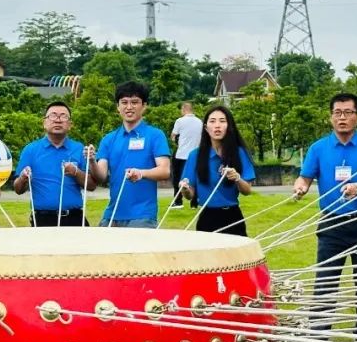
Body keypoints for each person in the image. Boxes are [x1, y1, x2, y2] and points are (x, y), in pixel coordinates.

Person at [293, 93, 357, 335]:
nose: (342, 118)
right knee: (326, 280)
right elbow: (305, 177)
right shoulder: (318, 148)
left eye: (348, 113)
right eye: (337, 113)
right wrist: (300, 187)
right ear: (330, 117)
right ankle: (320, 333)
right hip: (331, 224)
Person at [87, 81, 170, 228]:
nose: (129, 107)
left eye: (134, 102)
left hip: (143, 215)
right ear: (117, 107)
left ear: (144, 105)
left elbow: (164, 170)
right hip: (112, 214)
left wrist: (141, 173)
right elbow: (101, 176)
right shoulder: (108, 139)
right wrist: (92, 161)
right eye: (124, 102)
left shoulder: (155, 135)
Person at [14, 101, 95, 227]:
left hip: (74, 218)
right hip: (42, 219)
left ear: (70, 124)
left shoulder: (79, 149)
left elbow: (91, 185)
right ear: (44, 122)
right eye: (53, 115)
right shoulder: (30, 150)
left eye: (63, 116)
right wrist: (23, 178)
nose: (58, 120)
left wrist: (76, 172)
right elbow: (18, 189)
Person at [179, 105, 255, 236]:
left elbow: (247, 190)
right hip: (207, 217)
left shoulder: (239, 153)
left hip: (232, 216)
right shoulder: (195, 156)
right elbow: (189, 195)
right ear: (206, 127)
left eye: (222, 121)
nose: (217, 126)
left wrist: (237, 178)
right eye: (212, 121)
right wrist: (185, 189)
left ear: (229, 126)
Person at [170, 102, 202, 207]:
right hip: (195, 154)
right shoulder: (199, 122)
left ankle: (178, 201)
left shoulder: (180, 121)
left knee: (177, 178)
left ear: (183, 109)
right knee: (195, 178)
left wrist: (177, 141)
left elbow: (173, 136)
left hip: (181, 154)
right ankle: (194, 202)